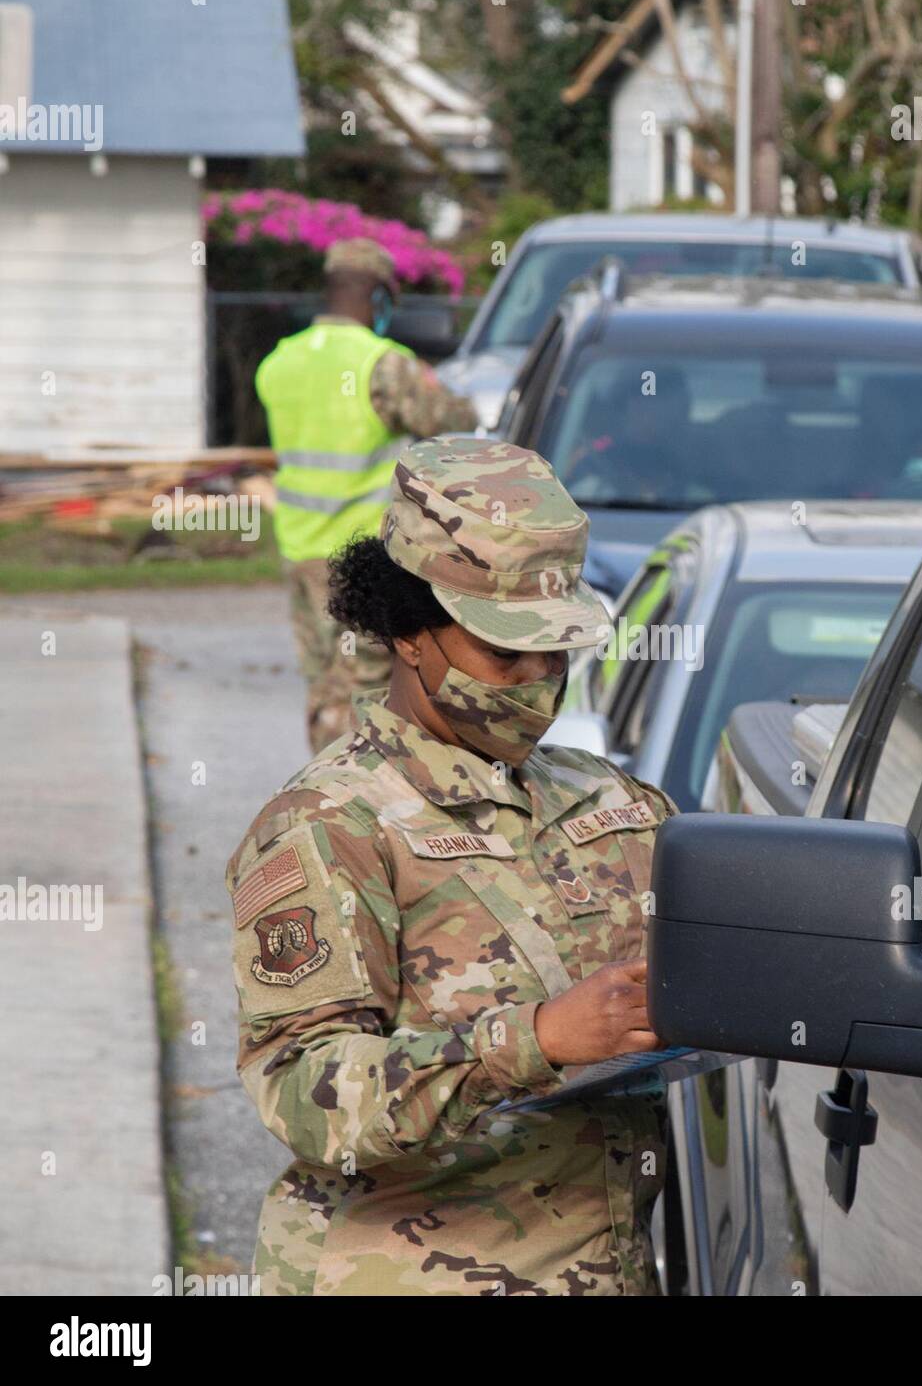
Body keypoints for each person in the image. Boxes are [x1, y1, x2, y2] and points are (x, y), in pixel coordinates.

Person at [225, 437, 678, 1296]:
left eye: (558, 654)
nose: (539, 681)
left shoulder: (615, 803)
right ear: (407, 633)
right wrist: (535, 1041)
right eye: (505, 655)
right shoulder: (327, 825)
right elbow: (302, 1093)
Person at [256, 238, 479, 751]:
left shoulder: (278, 362)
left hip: (300, 550)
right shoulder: (383, 364)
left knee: (323, 687)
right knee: (366, 693)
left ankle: (321, 799)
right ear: (378, 298)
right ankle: (360, 806)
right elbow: (450, 421)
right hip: (363, 559)